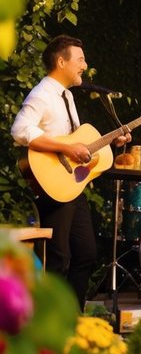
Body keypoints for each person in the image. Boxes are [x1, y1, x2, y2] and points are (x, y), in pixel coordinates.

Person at [11, 34, 130, 309]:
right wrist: (65, 148)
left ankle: (73, 317)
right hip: (51, 184)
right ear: (61, 62)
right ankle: (48, 321)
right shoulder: (42, 94)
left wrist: (112, 140)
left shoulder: (67, 96)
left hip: (71, 186)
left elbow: (78, 145)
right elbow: (20, 130)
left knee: (86, 254)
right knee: (58, 258)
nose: (84, 66)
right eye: (80, 60)